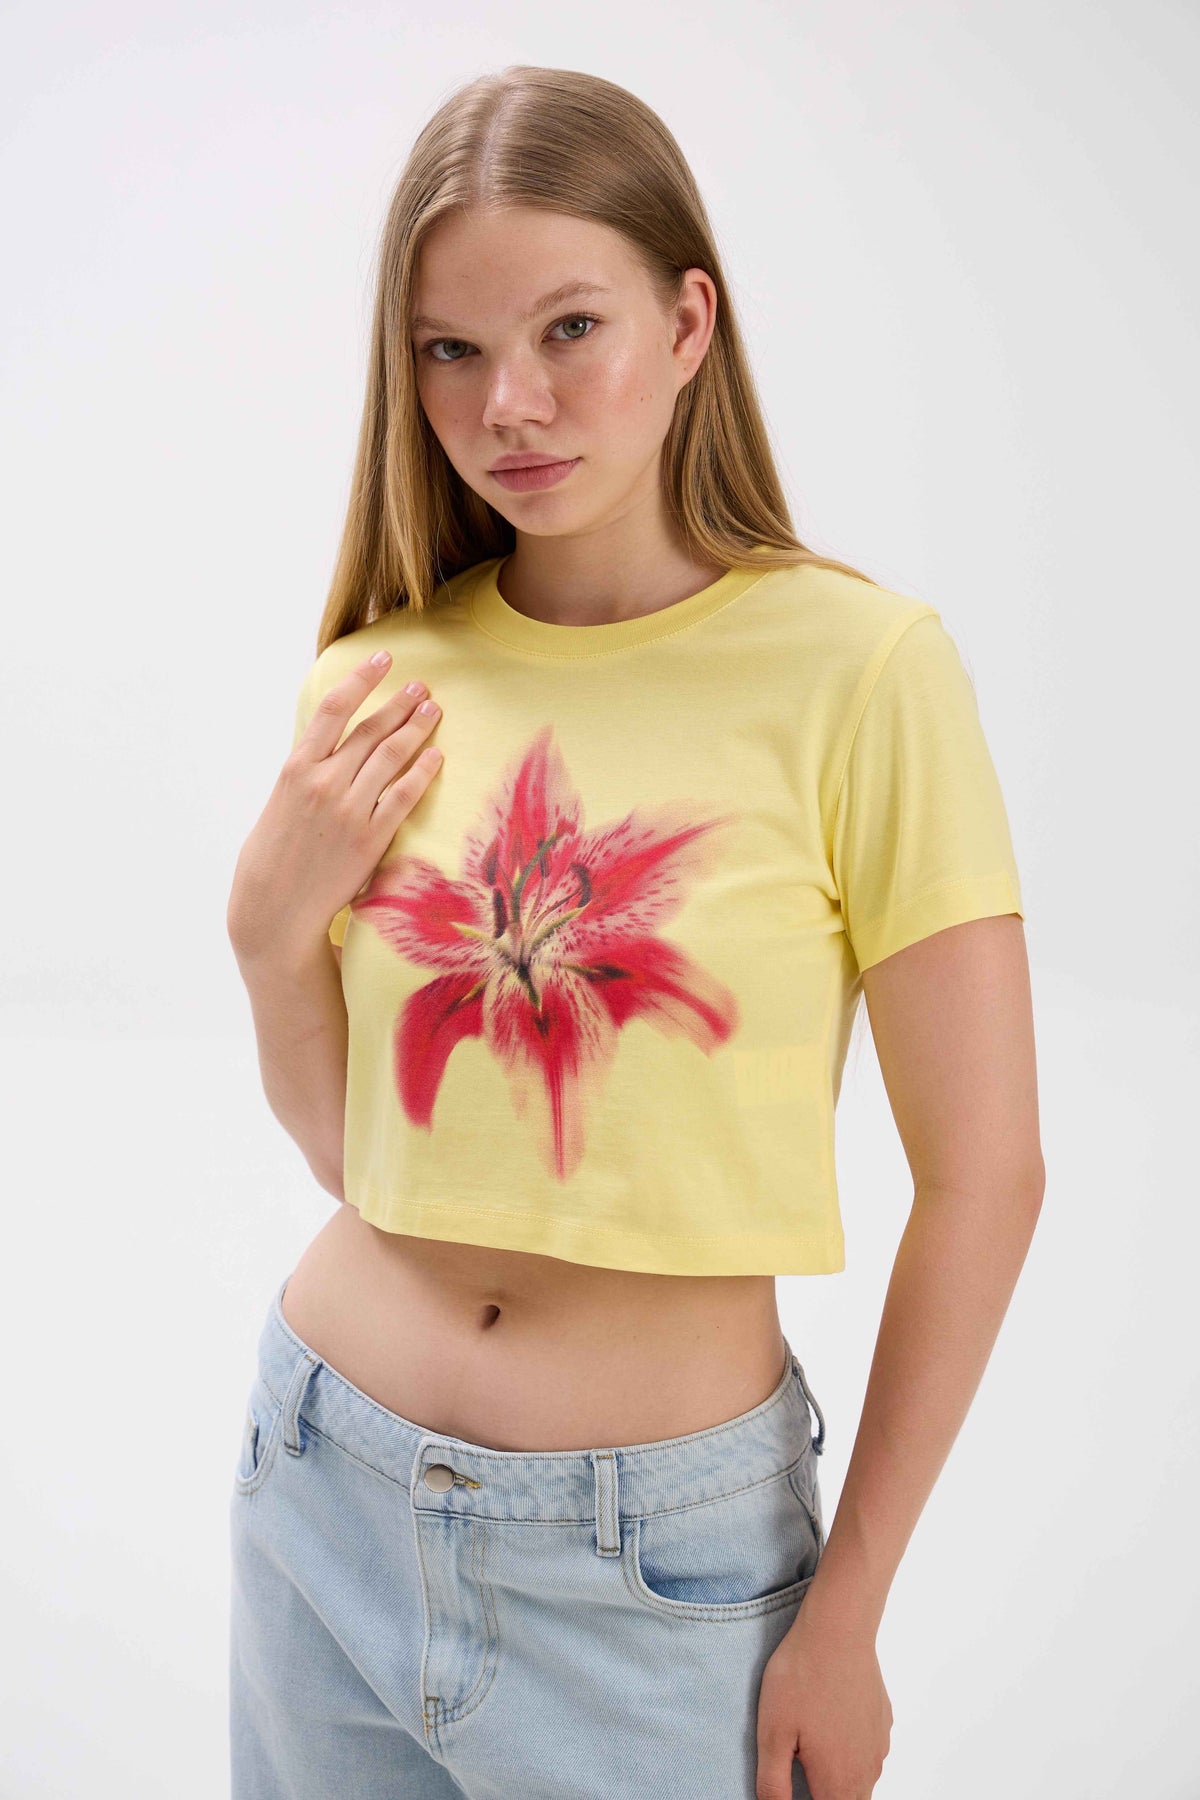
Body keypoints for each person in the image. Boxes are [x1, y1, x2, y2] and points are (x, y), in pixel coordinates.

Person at [225, 64, 1043, 1800]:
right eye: (449, 349)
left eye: (567, 328)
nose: (507, 403)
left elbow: (990, 1173)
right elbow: (359, 1157)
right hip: (323, 1487)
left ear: (688, 323)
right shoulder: (381, 678)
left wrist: (852, 1607)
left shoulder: (864, 673)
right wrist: (263, 927)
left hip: (654, 1576)